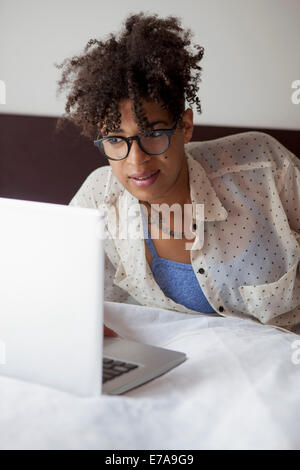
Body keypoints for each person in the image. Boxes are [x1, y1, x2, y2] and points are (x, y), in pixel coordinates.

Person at [55, 12, 300, 335]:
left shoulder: (263, 168)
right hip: (176, 373)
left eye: (153, 133)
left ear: (184, 126)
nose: (137, 160)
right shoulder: (98, 200)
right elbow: (55, 286)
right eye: (116, 140)